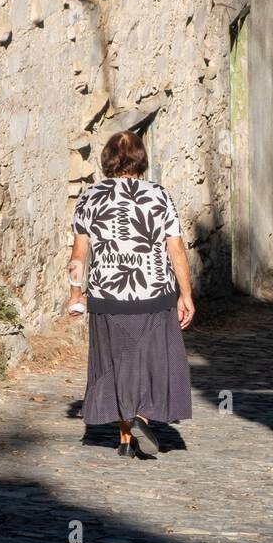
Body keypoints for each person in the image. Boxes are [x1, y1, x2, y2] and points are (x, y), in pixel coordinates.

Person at [67, 130, 194, 457]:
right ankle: (141, 416)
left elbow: (78, 255)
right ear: (141, 160)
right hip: (154, 294)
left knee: (116, 363)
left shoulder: (89, 198)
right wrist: (186, 294)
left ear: (107, 159)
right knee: (152, 362)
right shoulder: (159, 196)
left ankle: (125, 438)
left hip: (107, 297)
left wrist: (74, 294)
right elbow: (176, 249)